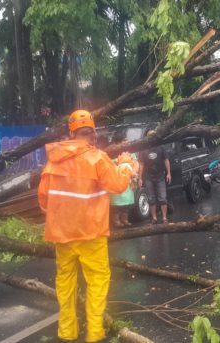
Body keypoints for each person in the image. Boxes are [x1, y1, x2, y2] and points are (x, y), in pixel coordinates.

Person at [38, 110, 135, 343]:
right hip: (91, 234)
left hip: (62, 235)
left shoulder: (54, 161)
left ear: (71, 134)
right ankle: (94, 334)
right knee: (97, 281)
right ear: (92, 133)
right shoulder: (98, 158)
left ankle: (67, 332)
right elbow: (119, 184)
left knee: (66, 282)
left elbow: (43, 201)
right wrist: (126, 164)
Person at [138, 131, 171, 224]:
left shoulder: (161, 147)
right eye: (150, 136)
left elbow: (166, 160)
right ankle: (154, 218)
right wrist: (140, 178)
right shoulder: (143, 149)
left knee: (163, 197)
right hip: (148, 177)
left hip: (160, 175)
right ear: (147, 137)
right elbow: (141, 164)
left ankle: (164, 218)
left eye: (153, 136)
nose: (152, 137)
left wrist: (169, 173)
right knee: (151, 198)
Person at [109, 132, 138, 228]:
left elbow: (136, 163)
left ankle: (125, 219)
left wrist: (134, 173)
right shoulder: (111, 153)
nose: (127, 141)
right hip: (117, 181)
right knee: (117, 204)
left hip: (128, 181)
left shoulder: (130, 152)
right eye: (124, 140)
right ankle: (116, 221)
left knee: (127, 203)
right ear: (118, 143)